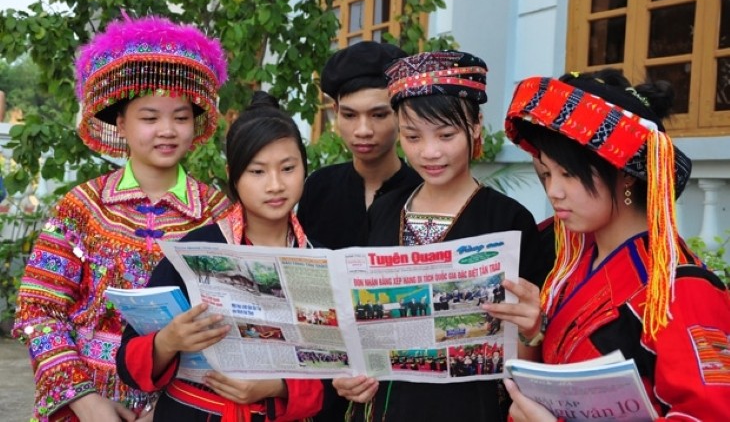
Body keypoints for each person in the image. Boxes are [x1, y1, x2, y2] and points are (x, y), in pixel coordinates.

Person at [12, 15, 233, 422]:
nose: (167, 130)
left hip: (181, 407)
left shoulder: (219, 212)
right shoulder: (82, 206)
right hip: (86, 405)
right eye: (149, 118)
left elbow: (231, 321)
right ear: (122, 124)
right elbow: (38, 310)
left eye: (181, 117)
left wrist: (166, 410)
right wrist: (84, 399)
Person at [488, 70, 730, 421]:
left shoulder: (679, 288)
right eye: (546, 174)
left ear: (626, 171)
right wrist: (532, 332)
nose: (554, 191)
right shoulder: (570, 260)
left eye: (569, 174)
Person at [332, 50, 554, 422]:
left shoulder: (508, 219)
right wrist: (348, 377)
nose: (429, 152)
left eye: (446, 135)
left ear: (476, 126)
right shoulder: (387, 210)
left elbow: (525, 360)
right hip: (385, 408)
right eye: (413, 136)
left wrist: (534, 330)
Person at [117, 92, 331, 421]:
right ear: (233, 174)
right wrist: (168, 340)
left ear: (305, 167)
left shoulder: (320, 260)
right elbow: (129, 359)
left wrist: (278, 387)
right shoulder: (195, 250)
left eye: (287, 168)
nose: (275, 185)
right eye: (257, 172)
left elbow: (336, 372)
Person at [296, 41, 422, 249]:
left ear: (402, 113)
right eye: (349, 115)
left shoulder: (423, 192)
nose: (363, 130)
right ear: (335, 111)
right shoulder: (318, 188)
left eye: (378, 114)